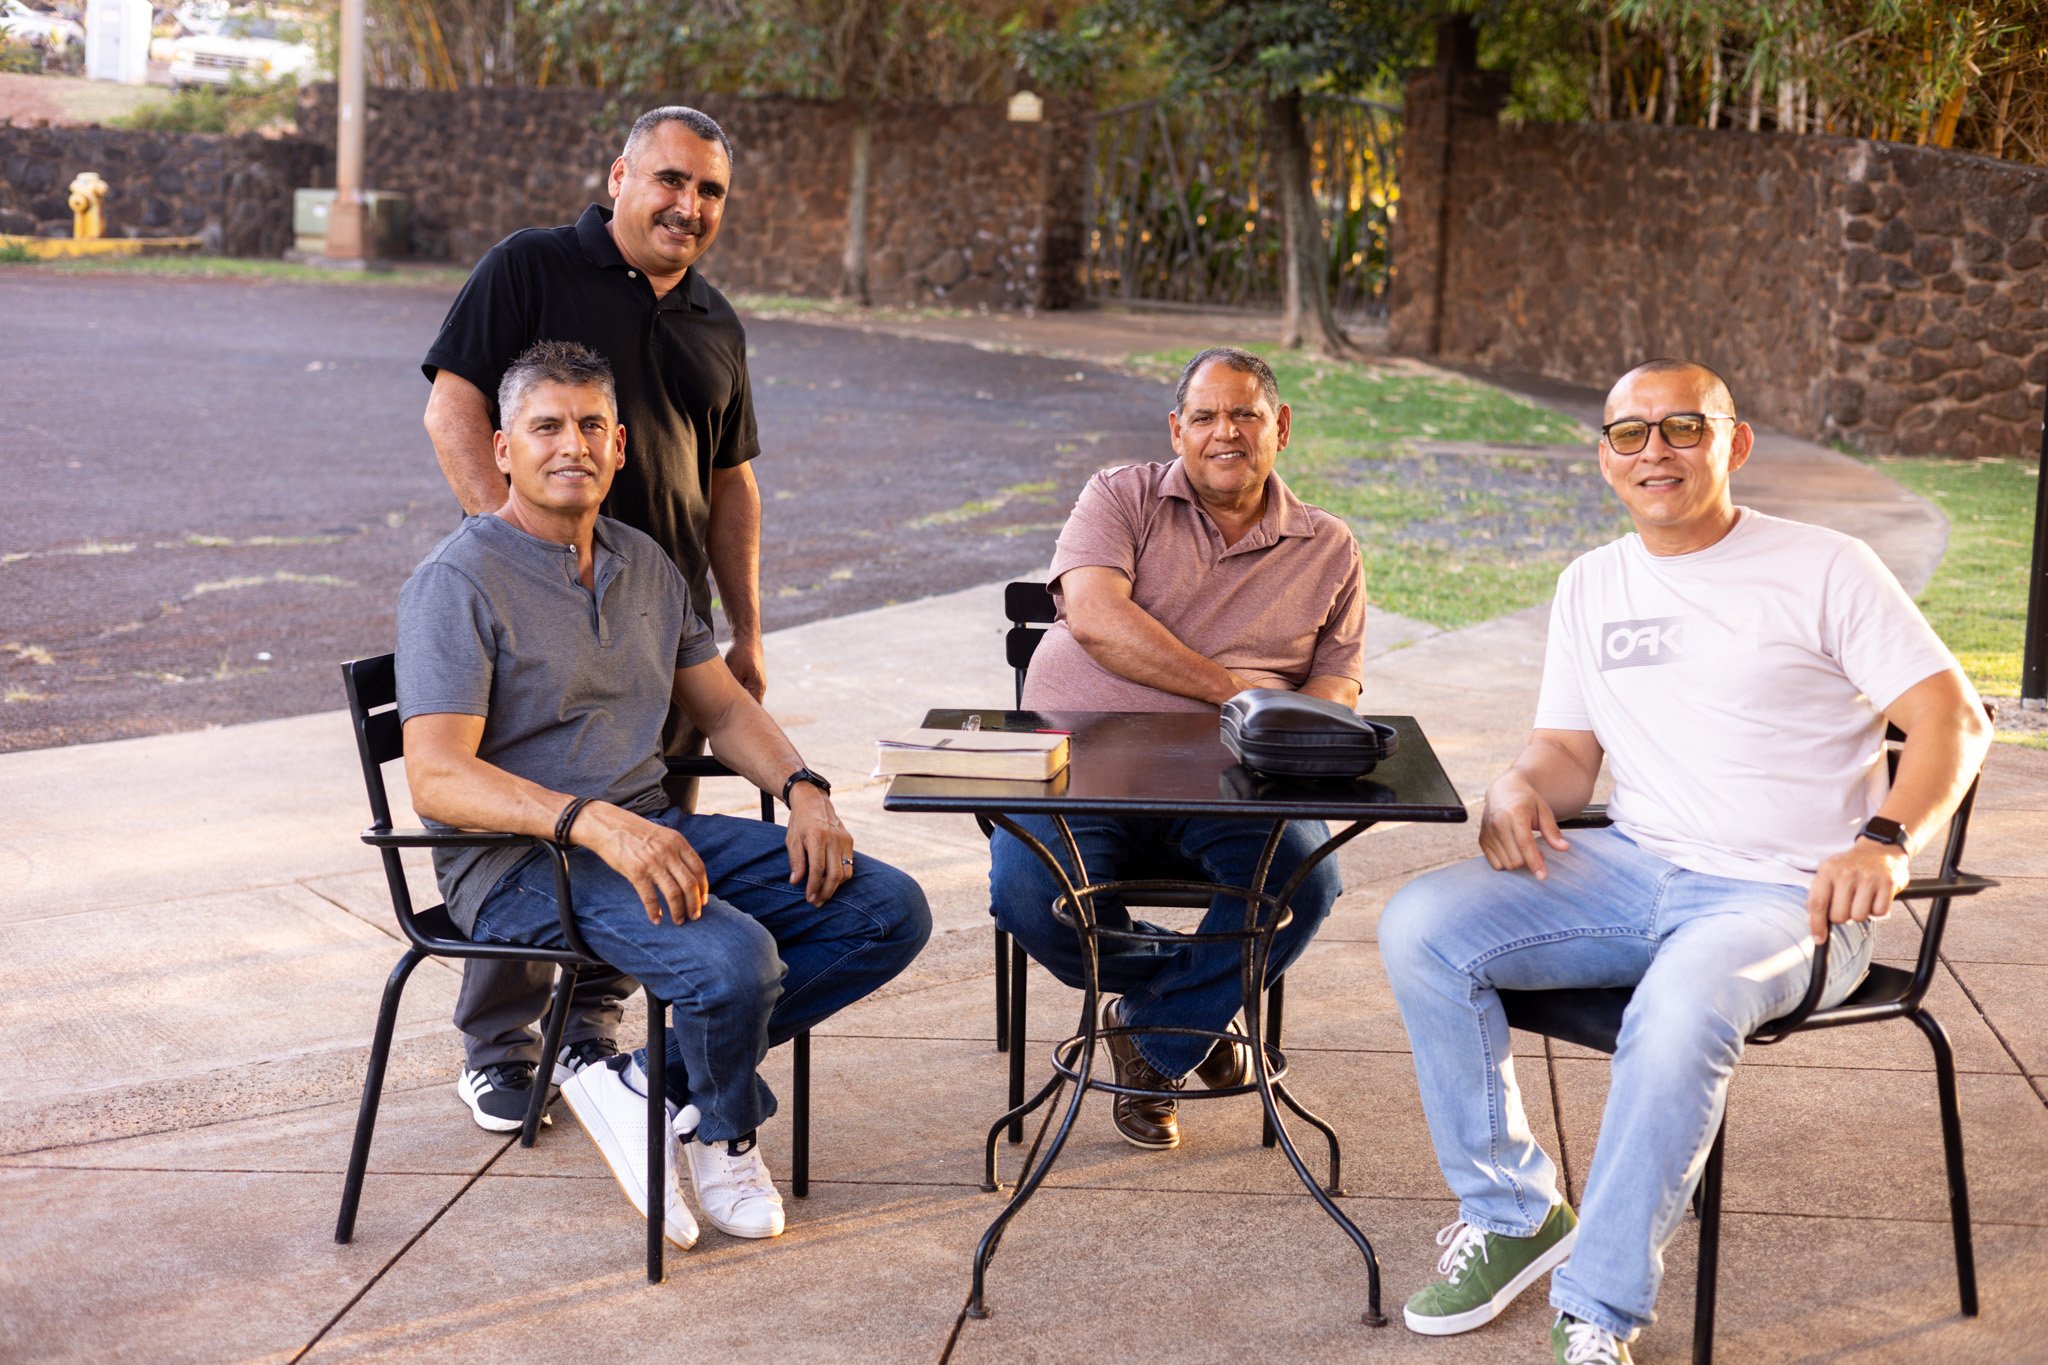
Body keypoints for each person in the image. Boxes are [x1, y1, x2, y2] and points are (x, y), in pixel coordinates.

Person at [1376, 358, 1990, 1364]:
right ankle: (1513, 1213)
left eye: (1681, 429)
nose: (1654, 451)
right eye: (1630, 434)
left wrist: (1886, 841)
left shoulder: (1823, 566)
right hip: (1636, 869)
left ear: (1731, 444)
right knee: (1421, 927)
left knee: (1679, 1004)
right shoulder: (1590, 584)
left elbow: (1948, 720)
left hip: (1787, 897)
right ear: (1604, 460)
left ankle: (1597, 1309)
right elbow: (1567, 756)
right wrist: (1515, 787)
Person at [396, 341, 929, 1245]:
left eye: (591, 425)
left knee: (885, 909)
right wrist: (590, 821)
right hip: (516, 864)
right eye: (547, 426)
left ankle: (647, 1084)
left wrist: (804, 789)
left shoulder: (645, 564)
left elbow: (720, 704)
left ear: (621, 446)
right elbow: (436, 773)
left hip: (641, 827)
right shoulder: (457, 581)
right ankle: (722, 1129)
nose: (572, 445)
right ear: (501, 448)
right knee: (733, 963)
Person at [419, 105, 768, 1132]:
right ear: (619, 176)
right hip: (539, 618)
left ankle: (588, 1028)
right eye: (669, 180)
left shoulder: (714, 320)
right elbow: (453, 408)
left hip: (663, 622)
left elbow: (732, 483)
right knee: (530, 815)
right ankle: (499, 1047)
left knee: (644, 825)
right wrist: (516, 562)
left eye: (708, 192)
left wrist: (746, 629)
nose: (687, 205)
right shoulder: (529, 267)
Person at [992, 346, 1365, 1150]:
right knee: (1029, 897)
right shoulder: (1118, 495)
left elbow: (1338, 683)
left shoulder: (1329, 547)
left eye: (1245, 414)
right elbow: (1095, 617)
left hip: (1236, 785)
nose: (1224, 432)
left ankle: (1155, 1035)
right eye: (1204, 416)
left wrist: (1303, 731)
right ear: (1177, 428)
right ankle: (1196, 1010)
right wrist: (1242, 696)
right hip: (1077, 772)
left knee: (1308, 883)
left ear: (1282, 426)